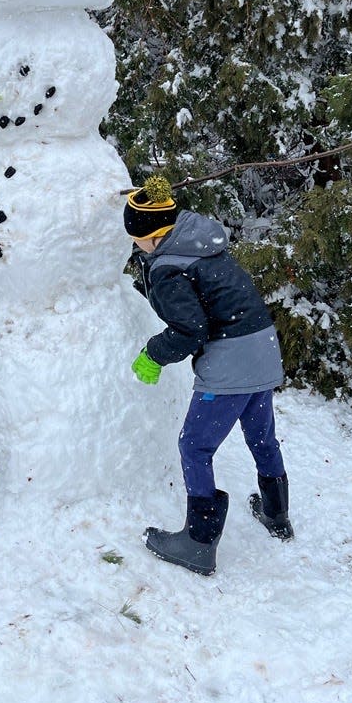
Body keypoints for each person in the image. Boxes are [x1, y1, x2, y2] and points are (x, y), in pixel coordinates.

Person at [124, 174, 294, 576]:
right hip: (262, 347)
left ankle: (199, 543)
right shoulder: (197, 242)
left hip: (231, 360)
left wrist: (153, 354)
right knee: (261, 436)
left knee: (194, 447)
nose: (134, 246)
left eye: (135, 240)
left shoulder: (167, 267)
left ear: (151, 236)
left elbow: (189, 329)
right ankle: (277, 514)